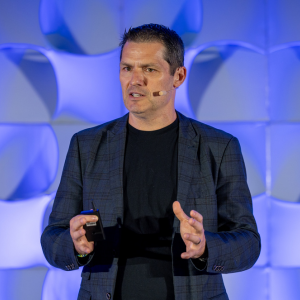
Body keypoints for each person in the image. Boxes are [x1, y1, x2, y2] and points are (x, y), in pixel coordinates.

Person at [41, 24, 261, 300]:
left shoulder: (219, 147)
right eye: (127, 68)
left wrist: (205, 247)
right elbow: (52, 239)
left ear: (178, 76)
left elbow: (248, 243)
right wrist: (76, 245)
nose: (135, 80)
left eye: (149, 69)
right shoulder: (86, 146)